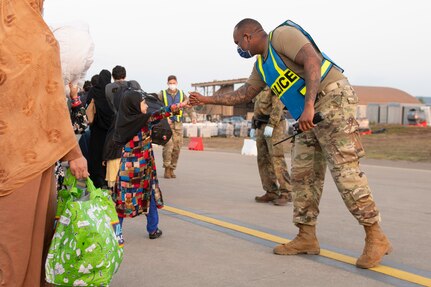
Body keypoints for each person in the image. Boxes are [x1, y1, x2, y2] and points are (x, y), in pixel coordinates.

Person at [189, 18, 391, 269]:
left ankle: (375, 235)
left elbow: (313, 61)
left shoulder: (282, 35)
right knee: (303, 174)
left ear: (247, 37)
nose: (238, 49)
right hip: (306, 115)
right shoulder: (261, 66)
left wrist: (308, 106)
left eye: (237, 43)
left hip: (331, 99)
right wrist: (205, 99)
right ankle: (306, 236)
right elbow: (245, 93)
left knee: (344, 170)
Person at [0, 0, 88, 286]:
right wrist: (73, 152)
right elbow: (46, 94)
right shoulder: (28, 27)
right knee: (17, 251)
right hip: (20, 158)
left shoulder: (27, 20)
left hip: (29, 153)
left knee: (24, 248)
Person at [112, 90, 185, 239]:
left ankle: (116, 235)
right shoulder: (144, 121)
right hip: (144, 169)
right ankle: (153, 229)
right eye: (143, 103)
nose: (146, 105)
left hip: (128, 172)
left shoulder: (121, 122)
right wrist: (181, 105)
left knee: (122, 202)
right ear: (134, 105)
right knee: (149, 196)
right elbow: (161, 113)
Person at [251, 88, 292, 206]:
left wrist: (272, 124)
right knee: (263, 159)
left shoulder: (273, 83)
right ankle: (271, 191)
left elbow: (278, 106)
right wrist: (253, 125)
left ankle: (286, 192)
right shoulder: (258, 85)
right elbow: (256, 108)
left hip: (275, 125)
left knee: (277, 158)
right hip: (260, 124)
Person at [103, 65, 141, 189]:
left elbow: (110, 105)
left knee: (114, 155)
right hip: (133, 127)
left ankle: (114, 187)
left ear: (113, 76)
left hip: (117, 125)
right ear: (125, 75)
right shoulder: (134, 85)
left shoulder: (109, 88)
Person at [158, 75, 197, 179]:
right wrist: (164, 118)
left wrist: (193, 117)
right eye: (170, 83)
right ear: (167, 83)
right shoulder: (162, 94)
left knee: (177, 147)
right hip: (167, 124)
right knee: (168, 146)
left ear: (177, 83)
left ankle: (172, 168)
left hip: (178, 125)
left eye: (173, 83)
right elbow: (157, 106)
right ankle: (166, 168)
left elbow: (188, 106)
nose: (172, 85)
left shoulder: (181, 94)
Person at [87, 69, 114, 188]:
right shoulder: (111, 91)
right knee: (106, 154)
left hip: (96, 129)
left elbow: (88, 104)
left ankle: (96, 179)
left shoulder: (94, 91)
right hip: (109, 131)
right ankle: (107, 178)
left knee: (95, 154)